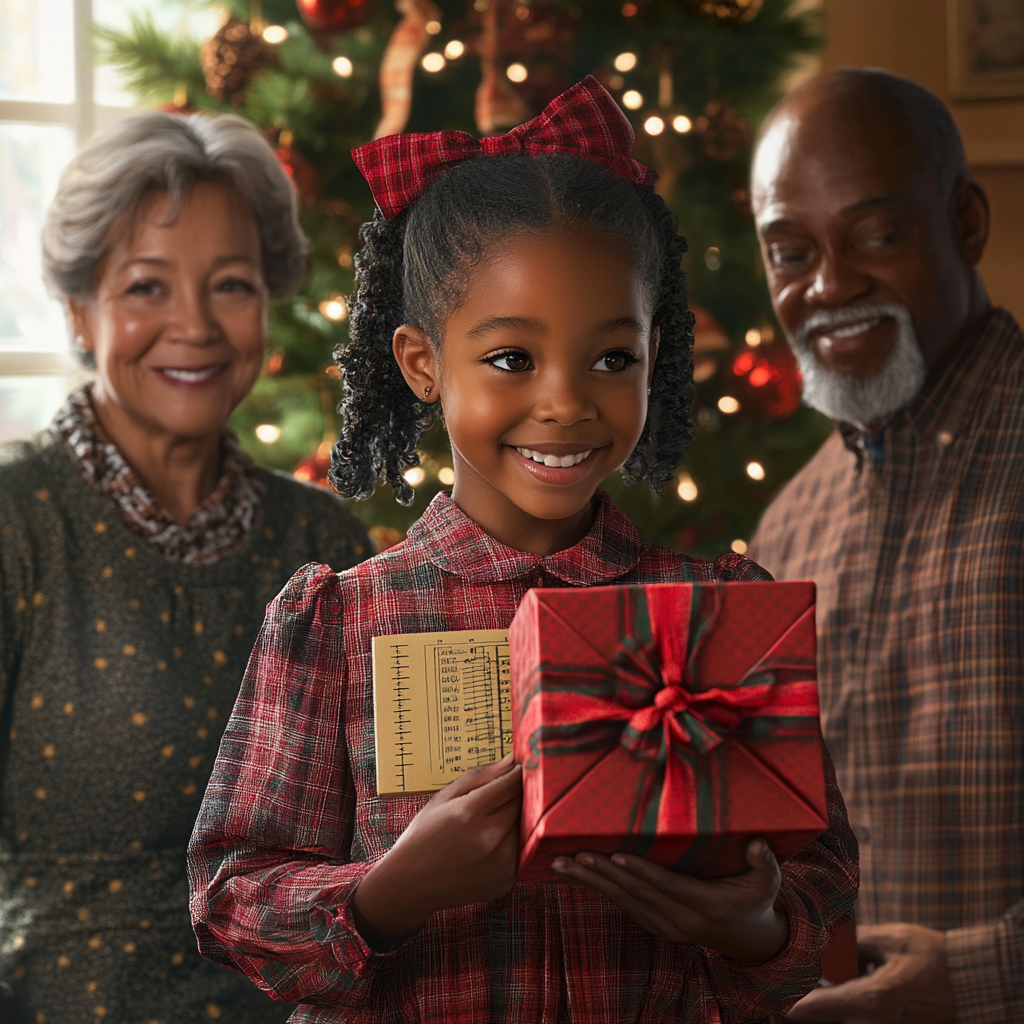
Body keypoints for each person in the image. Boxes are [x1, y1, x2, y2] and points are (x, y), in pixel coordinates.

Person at [188, 78, 858, 1023]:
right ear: (422, 363)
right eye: (511, 359)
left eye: (610, 358)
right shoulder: (336, 621)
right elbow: (230, 899)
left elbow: (822, 884)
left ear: (654, 354)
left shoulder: (720, 614)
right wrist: (388, 896)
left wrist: (751, 923)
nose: (566, 402)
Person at [0, 111, 370, 1023]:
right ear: (81, 311)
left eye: (231, 285)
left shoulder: (323, 543)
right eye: (147, 288)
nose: (195, 326)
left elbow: (385, 838)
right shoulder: (16, 524)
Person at [746, 68, 1024, 1023]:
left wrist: (977, 981)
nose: (829, 286)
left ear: (967, 223)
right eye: (790, 252)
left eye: (875, 235)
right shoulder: (786, 528)